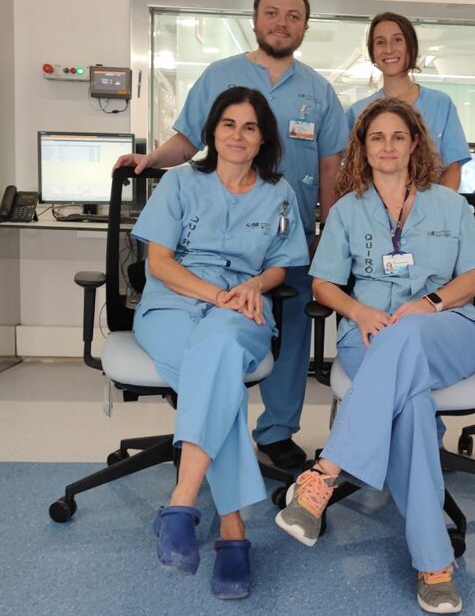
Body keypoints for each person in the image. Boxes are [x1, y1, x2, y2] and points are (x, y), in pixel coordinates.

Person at [117, 0, 349, 469]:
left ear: (305, 27)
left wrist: (330, 233)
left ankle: (277, 429)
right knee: (225, 333)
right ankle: (221, 435)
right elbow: (186, 142)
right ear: (255, 19)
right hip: (212, 242)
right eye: (272, 12)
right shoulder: (220, 75)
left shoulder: (318, 91)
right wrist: (150, 159)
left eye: (293, 16)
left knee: (285, 331)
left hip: (286, 239)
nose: (281, 23)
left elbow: (331, 167)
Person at [275, 98, 475, 614]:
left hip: (446, 329)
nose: (388, 146)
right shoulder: (348, 210)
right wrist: (359, 310)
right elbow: (325, 284)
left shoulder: (450, 204)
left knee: (408, 335)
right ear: (363, 147)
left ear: (415, 143)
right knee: (413, 410)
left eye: (398, 136)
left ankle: (325, 473)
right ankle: (434, 566)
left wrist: (430, 303)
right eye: (377, 137)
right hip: (368, 331)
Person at [131, 87, 308, 600]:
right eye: (228, 124)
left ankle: (182, 502)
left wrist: (252, 287)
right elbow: (158, 263)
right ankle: (232, 530)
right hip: (172, 306)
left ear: (262, 139)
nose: (237, 135)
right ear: (211, 132)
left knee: (220, 351)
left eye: (249, 127)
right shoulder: (180, 182)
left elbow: (280, 264)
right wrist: (216, 295)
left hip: (244, 309)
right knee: (222, 373)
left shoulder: (278, 193)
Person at [345, 12, 471, 191]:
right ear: (372, 53)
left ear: (411, 47)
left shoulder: (441, 104)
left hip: (430, 213)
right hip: (373, 214)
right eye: (380, 42)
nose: (389, 49)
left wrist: (441, 213)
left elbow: (452, 168)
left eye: (397, 40)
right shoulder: (358, 112)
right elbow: (352, 172)